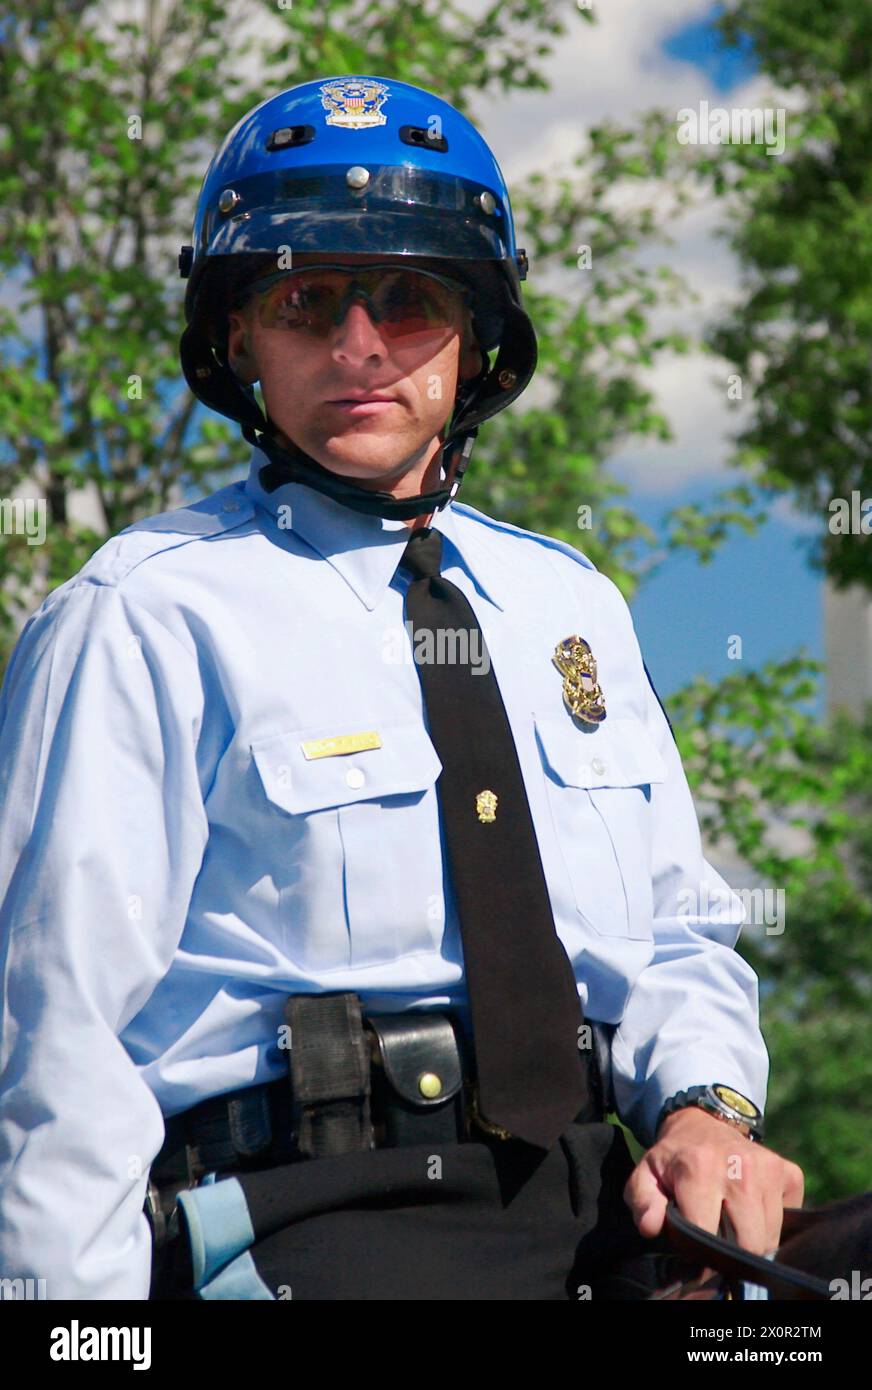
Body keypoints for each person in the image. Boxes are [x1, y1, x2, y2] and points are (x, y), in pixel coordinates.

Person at [0, 74, 803, 1302]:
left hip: (601, 1213)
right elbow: (53, 1039)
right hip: (307, 1227)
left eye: (409, 299)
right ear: (234, 339)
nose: (360, 345)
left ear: (477, 337)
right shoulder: (144, 613)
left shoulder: (568, 604)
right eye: (305, 300)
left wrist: (703, 1108)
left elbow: (673, 938)